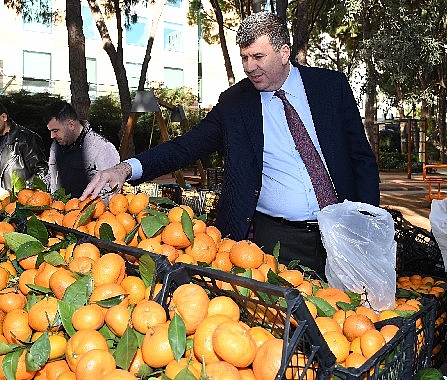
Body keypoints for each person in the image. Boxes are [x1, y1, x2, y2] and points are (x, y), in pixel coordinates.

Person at [80, 12, 380, 277]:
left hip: (343, 228)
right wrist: (124, 168)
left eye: (258, 57)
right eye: (244, 58)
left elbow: (360, 158)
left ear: (284, 52)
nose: (249, 67)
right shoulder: (235, 103)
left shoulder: (331, 86)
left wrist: (368, 223)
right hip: (276, 239)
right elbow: (186, 146)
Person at [43, 101, 120, 198]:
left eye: (55, 131)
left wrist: (84, 206)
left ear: (71, 125)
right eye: (50, 131)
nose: (52, 136)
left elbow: (112, 191)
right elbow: (52, 176)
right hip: (56, 210)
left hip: (89, 210)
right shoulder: (56, 144)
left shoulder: (102, 148)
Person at [0, 99, 48, 190]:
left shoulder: (26, 139)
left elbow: (42, 172)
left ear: (3, 117)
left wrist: (23, 193)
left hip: (19, 202)